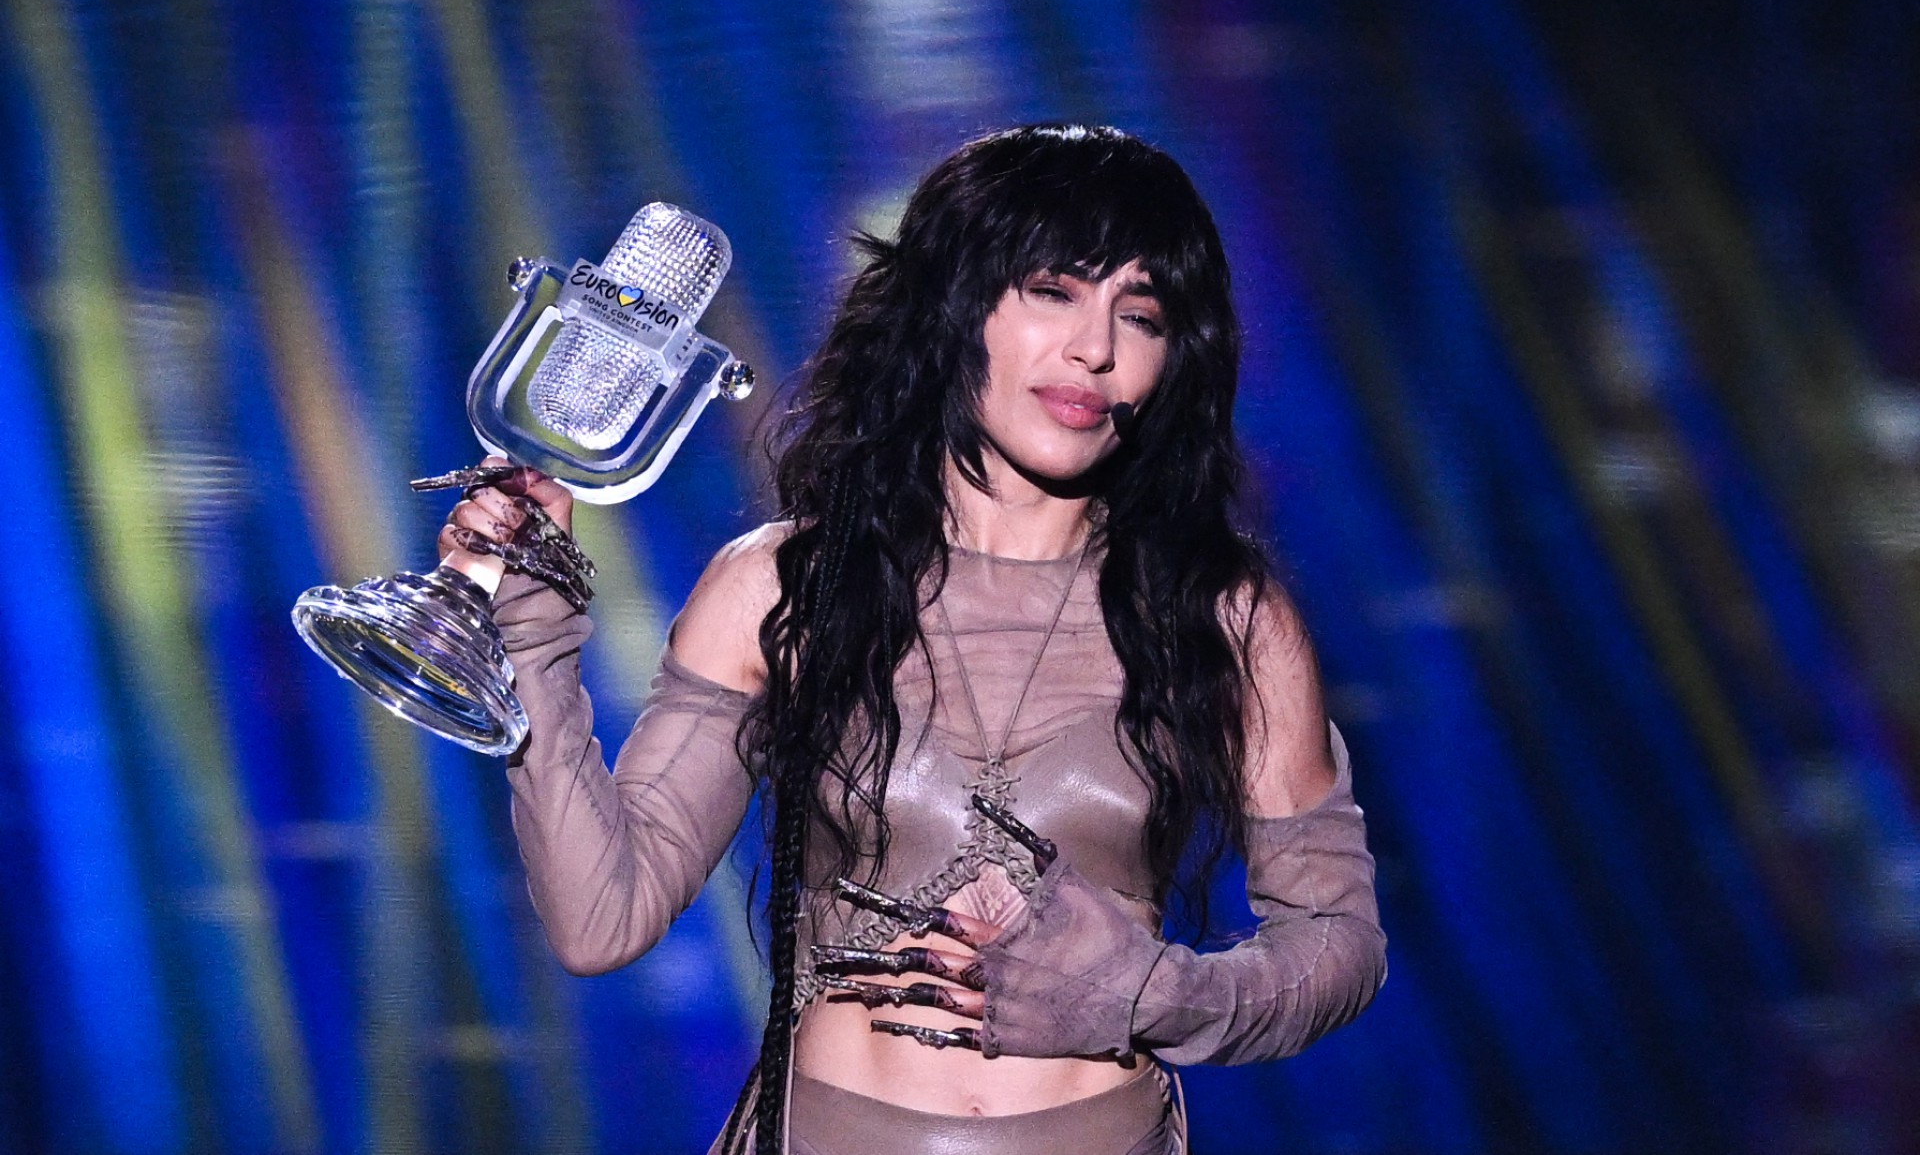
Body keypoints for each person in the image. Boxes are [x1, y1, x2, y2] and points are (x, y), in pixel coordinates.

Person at [441, 124, 1387, 1155]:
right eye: (1054, 290)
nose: (1097, 347)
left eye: (1142, 313)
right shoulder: (782, 583)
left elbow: (1338, 945)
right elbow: (599, 917)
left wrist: (1157, 992)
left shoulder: (1222, 614)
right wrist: (533, 627)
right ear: (953, 305)